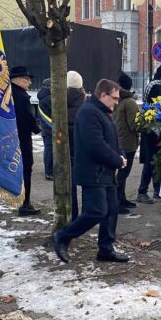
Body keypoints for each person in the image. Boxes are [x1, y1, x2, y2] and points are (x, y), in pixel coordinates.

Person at [51, 79, 129, 264]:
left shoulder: (102, 112)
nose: (117, 102)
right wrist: (116, 159)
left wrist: (120, 154)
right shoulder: (88, 113)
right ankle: (63, 236)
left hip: (106, 171)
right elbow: (95, 144)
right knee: (96, 211)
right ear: (103, 95)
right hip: (93, 172)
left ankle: (106, 249)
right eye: (115, 98)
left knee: (111, 210)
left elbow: (112, 140)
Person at [137, 64, 161, 204]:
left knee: (159, 160)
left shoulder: (158, 85)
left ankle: (159, 190)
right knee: (151, 161)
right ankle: (142, 191)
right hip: (153, 130)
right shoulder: (156, 86)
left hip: (160, 131)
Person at [11, 66, 42, 216]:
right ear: (17, 80)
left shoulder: (9, 94)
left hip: (12, 138)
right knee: (26, 170)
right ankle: (25, 203)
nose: (29, 82)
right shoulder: (21, 97)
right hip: (22, 139)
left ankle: (22, 200)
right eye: (26, 79)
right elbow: (27, 118)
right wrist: (37, 129)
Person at [114, 72, 140, 214]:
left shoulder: (116, 99)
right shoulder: (129, 102)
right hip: (127, 142)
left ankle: (121, 198)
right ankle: (116, 201)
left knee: (121, 172)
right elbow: (135, 125)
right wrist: (146, 126)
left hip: (118, 139)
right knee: (123, 173)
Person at [67, 71, 86, 220]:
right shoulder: (83, 101)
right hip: (81, 147)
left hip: (65, 146)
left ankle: (71, 213)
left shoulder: (59, 99)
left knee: (69, 183)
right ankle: (86, 213)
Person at [37, 78, 53, 179]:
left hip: (46, 128)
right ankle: (49, 172)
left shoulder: (42, 97)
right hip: (50, 128)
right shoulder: (49, 99)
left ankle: (48, 170)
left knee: (48, 150)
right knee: (50, 151)